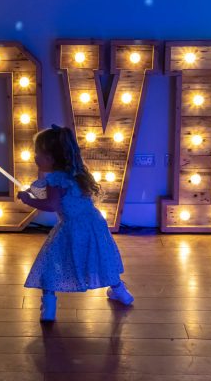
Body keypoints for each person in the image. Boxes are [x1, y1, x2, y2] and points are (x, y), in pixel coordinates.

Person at [17, 124, 134, 321]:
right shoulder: (77, 174)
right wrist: (34, 192)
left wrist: (29, 200)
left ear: (50, 158)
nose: (34, 157)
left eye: (37, 153)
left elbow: (51, 204)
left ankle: (49, 305)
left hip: (71, 228)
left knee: (51, 262)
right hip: (94, 224)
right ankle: (120, 290)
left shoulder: (55, 180)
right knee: (100, 258)